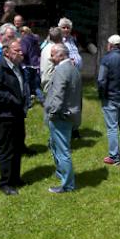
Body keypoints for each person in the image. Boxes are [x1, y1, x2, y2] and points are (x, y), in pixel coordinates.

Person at [0, 38, 29, 196]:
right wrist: (13, 100)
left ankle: (15, 178)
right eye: (17, 51)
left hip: (17, 114)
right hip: (5, 116)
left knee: (17, 147)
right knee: (7, 150)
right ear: (6, 52)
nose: (21, 53)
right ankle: (5, 183)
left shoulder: (17, 66)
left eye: (21, 51)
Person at [44, 43, 82, 193]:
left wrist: (52, 114)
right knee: (57, 146)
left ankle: (68, 184)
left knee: (62, 151)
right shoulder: (74, 69)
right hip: (70, 115)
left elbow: (58, 96)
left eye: (53, 54)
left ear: (61, 55)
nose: (50, 57)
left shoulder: (61, 70)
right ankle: (61, 173)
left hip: (61, 116)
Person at [97, 34, 120, 165]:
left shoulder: (106, 59)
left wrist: (101, 95)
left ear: (110, 45)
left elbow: (101, 80)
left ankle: (114, 157)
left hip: (110, 97)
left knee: (112, 127)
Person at [20, 26, 44, 105]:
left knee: (26, 83)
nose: (21, 34)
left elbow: (24, 52)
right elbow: (38, 51)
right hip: (35, 64)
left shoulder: (24, 39)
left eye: (21, 32)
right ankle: (42, 99)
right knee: (35, 85)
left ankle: (28, 102)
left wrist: (20, 54)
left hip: (27, 64)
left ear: (24, 32)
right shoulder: (35, 40)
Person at [40, 27, 63, 93]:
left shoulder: (46, 47)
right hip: (52, 82)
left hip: (45, 79)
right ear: (60, 37)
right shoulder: (56, 49)